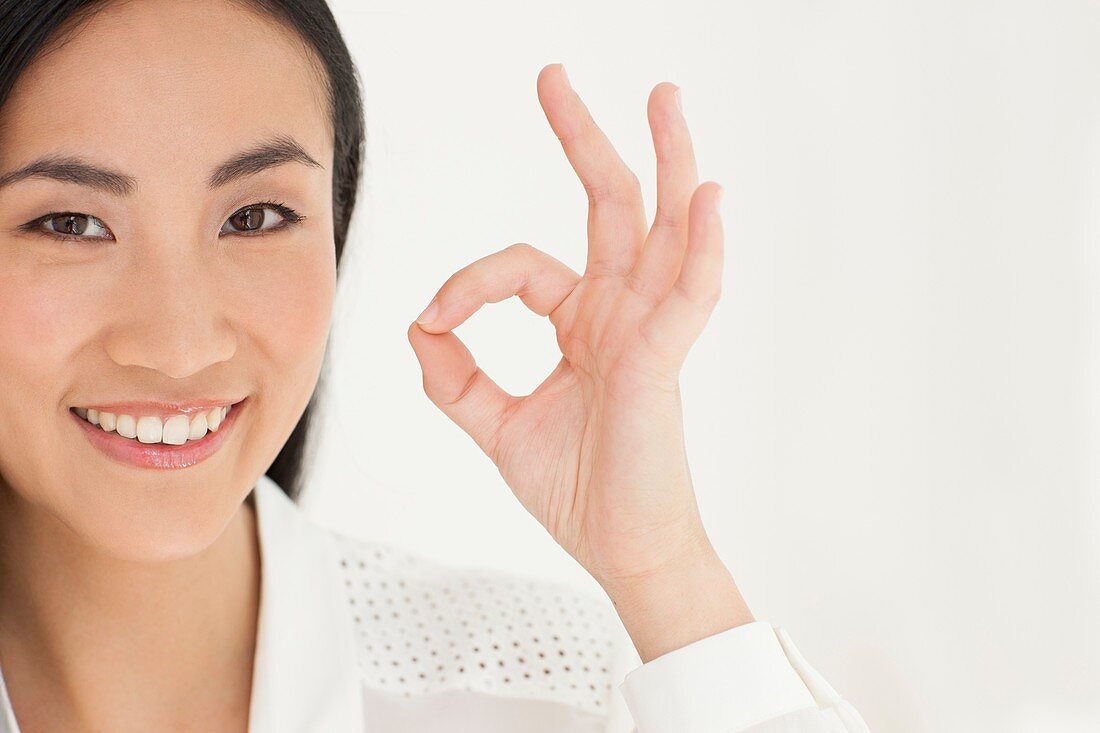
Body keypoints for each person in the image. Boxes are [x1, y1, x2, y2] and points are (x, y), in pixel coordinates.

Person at [0, 0, 870, 730]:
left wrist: (664, 571)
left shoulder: (549, 695)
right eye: (68, 224)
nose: (181, 344)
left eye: (256, 217)